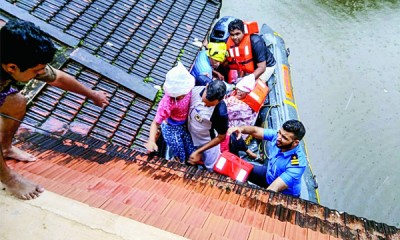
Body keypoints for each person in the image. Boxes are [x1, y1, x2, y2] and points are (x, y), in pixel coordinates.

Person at [0, 19, 109, 199]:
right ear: (12, 67)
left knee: (17, 103)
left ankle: (6, 148)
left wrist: (92, 94)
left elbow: (56, 77)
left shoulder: (14, 47)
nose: (39, 74)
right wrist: (10, 179)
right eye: (36, 71)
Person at [228, 120, 306, 197]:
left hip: (284, 193)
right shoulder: (278, 137)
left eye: (284, 138)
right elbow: (255, 131)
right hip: (269, 175)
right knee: (242, 168)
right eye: (279, 133)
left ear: (295, 142)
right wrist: (241, 129)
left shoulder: (297, 164)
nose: (278, 138)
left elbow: (274, 188)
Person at [145, 62, 196, 163]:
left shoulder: (189, 90)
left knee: (191, 148)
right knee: (179, 151)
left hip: (185, 124)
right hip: (171, 128)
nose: (180, 97)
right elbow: (155, 123)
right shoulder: (167, 102)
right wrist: (151, 140)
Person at [187, 80, 228, 171]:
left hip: (207, 142)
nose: (204, 105)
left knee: (211, 168)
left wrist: (199, 151)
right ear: (206, 86)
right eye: (204, 101)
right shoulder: (196, 86)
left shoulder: (221, 113)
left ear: (221, 100)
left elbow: (221, 137)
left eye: (209, 106)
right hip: (190, 135)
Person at [221, 74, 258, 158]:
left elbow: (225, 112)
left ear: (248, 93)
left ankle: (246, 151)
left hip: (239, 132)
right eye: (238, 89)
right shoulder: (239, 98)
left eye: (242, 91)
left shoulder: (244, 107)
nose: (238, 92)